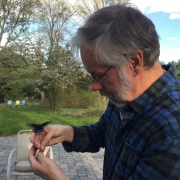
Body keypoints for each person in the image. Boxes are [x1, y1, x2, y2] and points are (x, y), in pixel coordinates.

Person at [28, 3, 180, 180]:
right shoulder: (124, 93)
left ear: (134, 62)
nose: (94, 86)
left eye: (98, 76)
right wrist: (66, 133)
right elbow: (102, 132)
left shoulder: (172, 131)